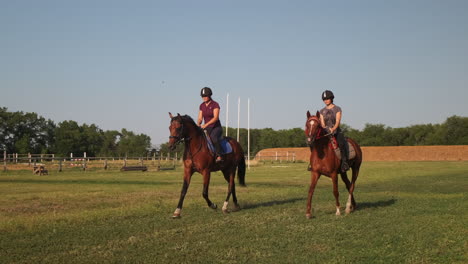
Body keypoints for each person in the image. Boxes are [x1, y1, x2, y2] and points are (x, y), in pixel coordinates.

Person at [320, 90, 350, 172]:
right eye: (324, 99)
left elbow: (337, 121)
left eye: (327, 98)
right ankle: (314, 163)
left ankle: (344, 163)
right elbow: (322, 124)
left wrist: (333, 129)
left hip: (336, 131)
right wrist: (326, 128)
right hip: (326, 132)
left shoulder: (337, 109)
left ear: (331, 99)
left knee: (341, 143)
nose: (325, 100)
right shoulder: (322, 111)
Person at [197, 87, 223, 162]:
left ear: (210, 95)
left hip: (216, 127)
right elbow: (200, 118)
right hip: (207, 128)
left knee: (213, 137)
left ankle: (219, 155)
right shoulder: (201, 105)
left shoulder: (215, 104)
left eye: (205, 96)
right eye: (202, 96)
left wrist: (205, 125)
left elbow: (216, 118)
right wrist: (198, 123)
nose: (204, 98)